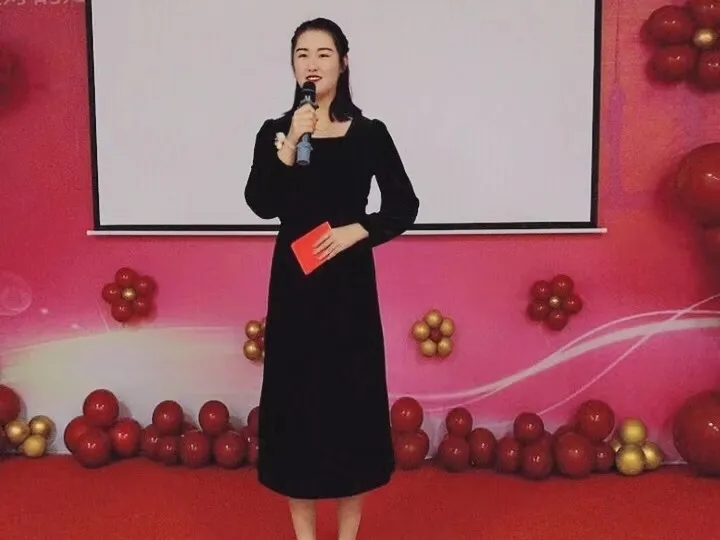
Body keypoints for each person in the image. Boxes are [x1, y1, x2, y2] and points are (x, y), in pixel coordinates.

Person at [244, 17, 420, 540]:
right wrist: (288, 146)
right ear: (292, 66)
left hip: (348, 288)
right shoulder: (276, 132)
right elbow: (261, 203)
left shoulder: (369, 134)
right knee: (296, 403)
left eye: (323, 54)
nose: (312, 64)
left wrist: (356, 231)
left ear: (343, 63)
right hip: (294, 286)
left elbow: (404, 204)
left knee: (349, 404)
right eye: (302, 54)